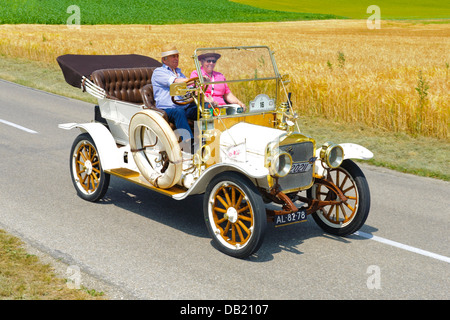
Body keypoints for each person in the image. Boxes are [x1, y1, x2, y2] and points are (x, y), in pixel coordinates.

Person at [151, 44, 197, 142]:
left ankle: (210, 138)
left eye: (177, 56)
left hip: (183, 106)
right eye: (173, 56)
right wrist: (196, 80)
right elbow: (176, 81)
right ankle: (189, 143)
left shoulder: (179, 72)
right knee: (178, 112)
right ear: (164, 60)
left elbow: (187, 88)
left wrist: (195, 92)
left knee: (202, 108)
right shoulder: (159, 72)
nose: (176, 59)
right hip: (167, 109)